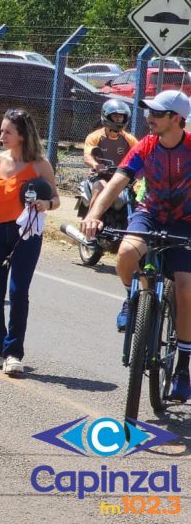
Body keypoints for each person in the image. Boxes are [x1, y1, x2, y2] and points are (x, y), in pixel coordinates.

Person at [81, 90, 191, 400]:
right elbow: (117, 182)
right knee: (127, 254)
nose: (149, 118)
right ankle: (134, 300)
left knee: (185, 288)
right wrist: (93, 215)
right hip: (150, 214)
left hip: (185, 221)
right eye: (148, 113)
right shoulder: (145, 146)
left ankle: (183, 369)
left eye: (156, 113)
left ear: (176, 119)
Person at [0, 109, 59, 374]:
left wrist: (45, 203)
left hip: (25, 234)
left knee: (17, 292)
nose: (1, 136)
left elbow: (55, 199)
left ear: (22, 136)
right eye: (1, 131)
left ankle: (13, 352)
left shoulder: (39, 164)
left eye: (7, 132)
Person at [83, 99, 136, 199]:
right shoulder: (94, 137)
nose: (118, 119)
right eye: (115, 116)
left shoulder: (129, 139)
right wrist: (96, 165)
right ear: (106, 116)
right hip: (100, 176)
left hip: (123, 177)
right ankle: (93, 215)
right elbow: (87, 157)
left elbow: (141, 155)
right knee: (99, 188)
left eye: (120, 117)